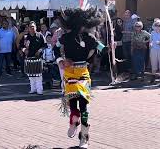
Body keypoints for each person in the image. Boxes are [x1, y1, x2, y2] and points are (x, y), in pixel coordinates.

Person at [55, 8, 102, 148]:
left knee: (80, 104)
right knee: (78, 105)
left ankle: (81, 132)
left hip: (78, 73)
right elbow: (55, 49)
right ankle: (77, 127)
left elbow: (102, 48)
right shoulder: (69, 37)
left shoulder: (87, 38)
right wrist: (61, 61)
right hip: (74, 72)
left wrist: (111, 47)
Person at [20, 21, 46, 95]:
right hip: (29, 58)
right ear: (28, 28)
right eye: (30, 27)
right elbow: (20, 46)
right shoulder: (25, 37)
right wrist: (24, 50)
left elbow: (44, 45)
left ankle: (39, 90)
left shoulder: (40, 35)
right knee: (31, 76)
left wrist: (40, 50)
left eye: (33, 26)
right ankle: (33, 89)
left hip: (38, 58)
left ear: (36, 27)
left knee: (38, 75)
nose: (32, 28)